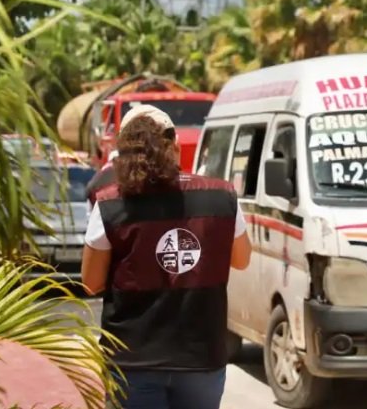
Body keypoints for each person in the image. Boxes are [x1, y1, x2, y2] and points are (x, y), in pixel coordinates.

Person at [81, 104, 251, 409]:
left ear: (123, 155)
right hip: (201, 358)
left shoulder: (109, 205)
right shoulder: (221, 197)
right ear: (175, 147)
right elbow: (241, 259)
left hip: (132, 360)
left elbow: (91, 283)